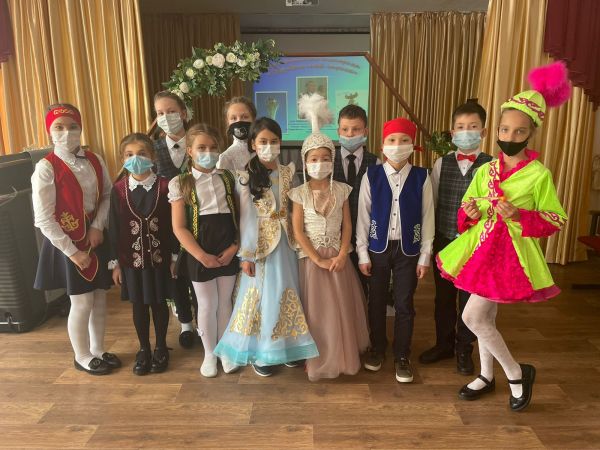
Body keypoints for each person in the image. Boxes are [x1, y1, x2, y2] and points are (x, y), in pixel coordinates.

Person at [437, 61, 570, 411]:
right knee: (486, 318)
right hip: (481, 251)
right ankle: (486, 375)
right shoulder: (486, 169)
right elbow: (469, 207)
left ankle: (516, 373)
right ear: (496, 130)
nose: (509, 137)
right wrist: (470, 212)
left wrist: (520, 215)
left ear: (530, 134)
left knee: (472, 317)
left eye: (518, 132)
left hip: (510, 255)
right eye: (504, 129)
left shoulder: (539, 175)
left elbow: (555, 218)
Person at [214, 117, 319, 377]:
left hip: (287, 243)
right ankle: (264, 351)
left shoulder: (289, 172)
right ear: (253, 144)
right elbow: (247, 218)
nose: (269, 146)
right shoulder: (244, 177)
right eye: (263, 141)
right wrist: (247, 255)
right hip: (260, 248)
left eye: (274, 141)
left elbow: (296, 209)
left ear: (280, 143)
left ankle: (289, 346)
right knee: (264, 296)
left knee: (287, 292)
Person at [32, 103, 121, 375]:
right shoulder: (46, 168)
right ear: (49, 131)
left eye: (72, 126)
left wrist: (97, 226)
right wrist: (72, 252)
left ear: (80, 128)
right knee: (82, 302)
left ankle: (98, 349)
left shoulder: (95, 159)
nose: (67, 132)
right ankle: (81, 355)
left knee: (100, 298)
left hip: (95, 237)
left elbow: (107, 195)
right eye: (59, 127)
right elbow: (43, 219)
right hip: (67, 242)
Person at [356, 117, 435, 383]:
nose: (397, 145)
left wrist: (425, 255)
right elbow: (363, 216)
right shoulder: (372, 175)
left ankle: (402, 354)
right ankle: (378, 348)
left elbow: (427, 217)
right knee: (376, 301)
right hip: (378, 247)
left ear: (413, 145)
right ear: (382, 145)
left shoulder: (422, 176)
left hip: (408, 249)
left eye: (404, 140)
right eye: (392, 140)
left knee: (404, 303)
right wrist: (363, 253)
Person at [289, 127, 370, 381]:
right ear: (305, 162)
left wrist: (343, 254)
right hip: (311, 261)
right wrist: (317, 259)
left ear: (332, 161)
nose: (319, 163)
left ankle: (342, 355)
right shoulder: (299, 193)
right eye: (314, 159)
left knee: (339, 310)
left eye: (325, 158)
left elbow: (348, 225)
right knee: (316, 312)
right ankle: (315, 356)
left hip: (337, 258)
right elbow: (298, 231)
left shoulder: (342, 190)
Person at [419, 101, 492, 375]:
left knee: (468, 299)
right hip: (445, 240)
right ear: (452, 133)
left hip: (474, 245)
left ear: (483, 132)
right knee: (444, 297)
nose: (466, 131)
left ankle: (464, 348)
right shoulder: (442, 163)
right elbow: (434, 203)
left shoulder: (491, 165)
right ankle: (444, 344)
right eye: (460, 127)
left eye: (472, 127)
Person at [169, 124, 240, 378]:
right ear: (189, 151)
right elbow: (179, 227)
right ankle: (209, 352)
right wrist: (200, 255)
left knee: (225, 302)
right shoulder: (181, 183)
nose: (208, 152)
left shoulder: (228, 178)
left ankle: (225, 349)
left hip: (227, 246)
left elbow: (240, 216)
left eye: (212, 147)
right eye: (201, 148)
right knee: (207, 304)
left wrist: (234, 247)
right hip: (200, 250)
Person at [109, 133, 175, 375]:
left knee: (159, 303)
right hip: (131, 262)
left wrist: (174, 257)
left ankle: (161, 347)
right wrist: (116, 264)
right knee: (138, 305)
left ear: (153, 156)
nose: (135, 159)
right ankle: (144, 348)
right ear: (122, 159)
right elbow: (114, 228)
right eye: (129, 155)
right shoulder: (118, 190)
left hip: (160, 259)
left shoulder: (166, 186)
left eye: (141, 153)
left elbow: (175, 226)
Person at [153, 90, 198, 349]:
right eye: (160, 113)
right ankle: (185, 324)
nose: (166, 117)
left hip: (199, 219)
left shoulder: (199, 142)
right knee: (175, 272)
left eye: (171, 111)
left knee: (197, 271)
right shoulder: (154, 149)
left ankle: (204, 321)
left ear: (183, 113)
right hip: (167, 221)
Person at [333, 104, 381, 295]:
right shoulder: (327, 161)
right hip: (335, 236)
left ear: (365, 131)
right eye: (345, 129)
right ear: (338, 131)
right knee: (339, 286)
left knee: (364, 285)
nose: (350, 134)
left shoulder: (376, 163)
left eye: (356, 129)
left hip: (366, 236)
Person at [216, 96, 257, 172]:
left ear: (254, 120)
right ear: (228, 123)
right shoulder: (226, 158)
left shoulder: (265, 149)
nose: (239, 121)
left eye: (245, 117)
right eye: (234, 118)